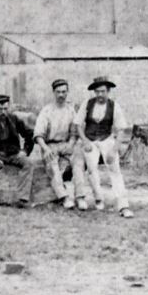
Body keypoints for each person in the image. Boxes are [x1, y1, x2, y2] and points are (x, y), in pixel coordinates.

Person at [75, 76, 134, 218]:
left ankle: (123, 205)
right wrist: (84, 141)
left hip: (107, 140)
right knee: (91, 167)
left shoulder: (114, 106)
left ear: (108, 91)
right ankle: (98, 198)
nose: (100, 95)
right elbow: (77, 124)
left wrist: (114, 150)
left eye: (103, 92)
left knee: (115, 170)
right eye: (97, 92)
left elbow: (121, 130)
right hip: (89, 140)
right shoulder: (87, 104)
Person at [33, 78, 88, 210]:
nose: (61, 95)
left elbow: (74, 132)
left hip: (66, 144)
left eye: (64, 92)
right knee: (53, 164)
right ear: (53, 93)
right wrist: (45, 149)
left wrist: (71, 144)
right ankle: (64, 197)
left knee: (79, 160)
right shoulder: (46, 111)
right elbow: (38, 135)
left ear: (67, 92)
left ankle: (80, 197)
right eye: (58, 92)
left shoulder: (71, 110)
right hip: (50, 145)